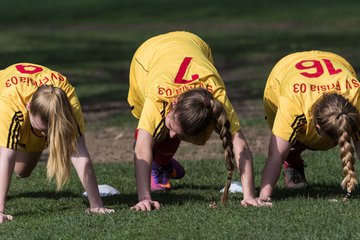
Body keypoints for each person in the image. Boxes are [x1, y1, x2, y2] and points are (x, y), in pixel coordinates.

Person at [128, 31, 268, 211]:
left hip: (195, 44)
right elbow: (141, 147)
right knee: (148, 132)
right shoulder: (157, 95)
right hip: (146, 58)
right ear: (174, 102)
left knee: (169, 130)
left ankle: (161, 164)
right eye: (172, 126)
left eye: (176, 132)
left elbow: (240, 145)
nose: (171, 135)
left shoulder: (216, 97)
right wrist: (144, 198)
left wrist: (249, 195)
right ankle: (161, 165)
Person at [0, 63, 114, 223]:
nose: (45, 137)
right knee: (5, 154)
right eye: (40, 130)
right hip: (5, 95)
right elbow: (6, 157)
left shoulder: (69, 107)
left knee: (22, 171)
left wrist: (96, 205)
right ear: (29, 106)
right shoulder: (11, 107)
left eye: (50, 132)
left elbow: (80, 155)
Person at [259, 50, 360, 203]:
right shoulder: (293, 104)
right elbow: (276, 154)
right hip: (283, 72)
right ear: (318, 126)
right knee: (287, 138)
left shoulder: (356, 96)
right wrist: (264, 197)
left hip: (334, 60)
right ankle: (292, 161)